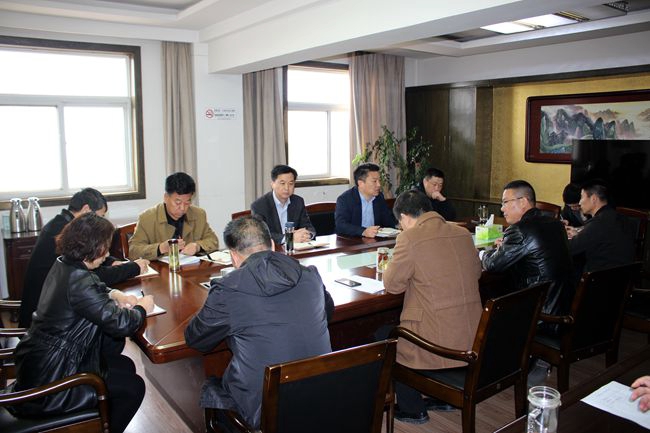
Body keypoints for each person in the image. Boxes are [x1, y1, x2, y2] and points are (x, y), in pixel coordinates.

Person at [184, 216, 333, 431]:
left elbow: (196, 339)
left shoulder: (228, 289)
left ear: (233, 257)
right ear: (271, 244)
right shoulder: (310, 274)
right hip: (322, 395)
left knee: (213, 385)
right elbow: (327, 312)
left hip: (265, 411)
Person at [10, 213, 154, 433]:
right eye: (105, 248)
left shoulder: (64, 264)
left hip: (40, 362)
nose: (107, 254)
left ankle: (99, 421)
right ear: (93, 247)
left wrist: (115, 294)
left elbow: (93, 286)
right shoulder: (79, 280)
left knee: (124, 365)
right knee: (133, 388)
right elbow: (121, 324)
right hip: (53, 379)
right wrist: (142, 307)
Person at [383, 189, 482, 424]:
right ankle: (444, 397)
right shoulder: (462, 233)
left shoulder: (409, 238)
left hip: (437, 342)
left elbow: (393, 285)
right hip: (471, 335)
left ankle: (413, 408)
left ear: (404, 217)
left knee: (385, 337)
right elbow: (477, 272)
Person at [18, 187, 148, 328]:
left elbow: (87, 260)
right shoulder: (61, 232)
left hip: (51, 310)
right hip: (46, 319)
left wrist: (111, 263)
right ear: (86, 210)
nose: (100, 221)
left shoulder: (62, 225)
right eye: (100, 216)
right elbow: (91, 278)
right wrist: (132, 268)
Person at [481, 180, 573, 318]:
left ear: (523, 202)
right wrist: (506, 247)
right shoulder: (556, 224)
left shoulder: (520, 229)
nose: (502, 209)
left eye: (505, 202)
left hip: (539, 314)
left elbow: (493, 265)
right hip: (562, 306)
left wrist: (483, 254)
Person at [128, 172, 219, 260]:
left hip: (190, 268)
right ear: (166, 197)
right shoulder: (147, 218)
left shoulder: (199, 214)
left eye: (187, 202)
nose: (182, 208)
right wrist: (160, 248)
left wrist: (197, 246)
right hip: (161, 269)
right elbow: (133, 251)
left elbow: (213, 241)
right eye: (178, 202)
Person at [566, 179, 635, 273]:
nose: (580, 202)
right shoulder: (620, 217)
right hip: (625, 275)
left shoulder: (598, 222)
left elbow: (570, 248)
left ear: (593, 199)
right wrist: (579, 235)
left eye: (582, 197)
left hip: (601, 277)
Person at [250, 164, 316, 245]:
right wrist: (289, 238)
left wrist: (307, 235)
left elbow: (309, 227)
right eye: (282, 183)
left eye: (291, 183)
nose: (287, 188)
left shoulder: (298, 201)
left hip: (296, 248)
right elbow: (261, 235)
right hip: (273, 249)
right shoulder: (259, 206)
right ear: (272, 184)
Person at [335, 163, 397, 237]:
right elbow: (341, 225)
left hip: (375, 239)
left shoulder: (379, 197)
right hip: (352, 240)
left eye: (379, 180)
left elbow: (388, 221)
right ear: (361, 183)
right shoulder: (345, 199)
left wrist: (399, 225)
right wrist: (363, 232)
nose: (379, 185)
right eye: (374, 181)